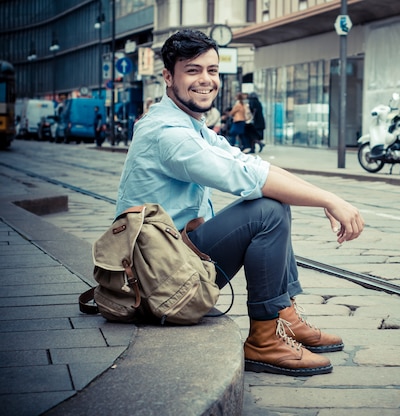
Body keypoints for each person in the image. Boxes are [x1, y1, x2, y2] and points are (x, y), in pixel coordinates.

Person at [115, 29, 365, 376]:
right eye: (193, 70)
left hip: (170, 265)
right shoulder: (168, 134)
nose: (206, 80)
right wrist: (328, 199)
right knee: (266, 211)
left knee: (273, 202)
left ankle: (284, 318)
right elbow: (247, 179)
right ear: (168, 77)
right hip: (160, 283)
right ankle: (264, 339)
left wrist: (326, 196)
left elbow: (252, 165)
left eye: (213, 70)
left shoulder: (189, 125)